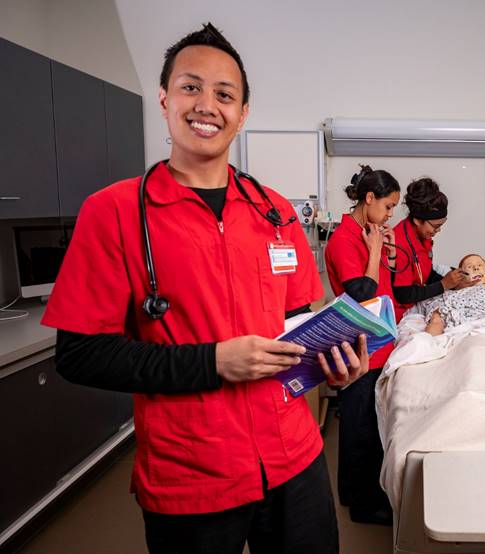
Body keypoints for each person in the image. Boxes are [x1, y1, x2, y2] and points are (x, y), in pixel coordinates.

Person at [41, 23, 367, 554]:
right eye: (191, 87)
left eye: (225, 94)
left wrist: (335, 362)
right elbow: (79, 355)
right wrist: (213, 362)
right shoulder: (116, 213)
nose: (207, 104)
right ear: (165, 98)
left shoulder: (275, 211)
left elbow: (298, 325)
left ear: (243, 112)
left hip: (293, 458)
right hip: (192, 474)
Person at [324, 164, 400, 525]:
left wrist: (385, 249)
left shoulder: (367, 232)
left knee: (362, 423)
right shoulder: (345, 239)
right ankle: (363, 506)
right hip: (359, 346)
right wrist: (373, 249)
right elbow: (363, 294)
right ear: (368, 198)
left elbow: (385, 283)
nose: (390, 215)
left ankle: (352, 493)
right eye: (387, 207)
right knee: (360, 428)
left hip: (375, 343)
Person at [391, 177, 470, 320]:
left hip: (419, 303)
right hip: (402, 313)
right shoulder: (399, 244)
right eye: (435, 226)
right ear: (417, 220)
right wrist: (443, 285)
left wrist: (454, 283)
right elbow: (402, 294)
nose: (438, 231)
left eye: (441, 225)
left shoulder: (423, 236)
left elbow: (424, 272)